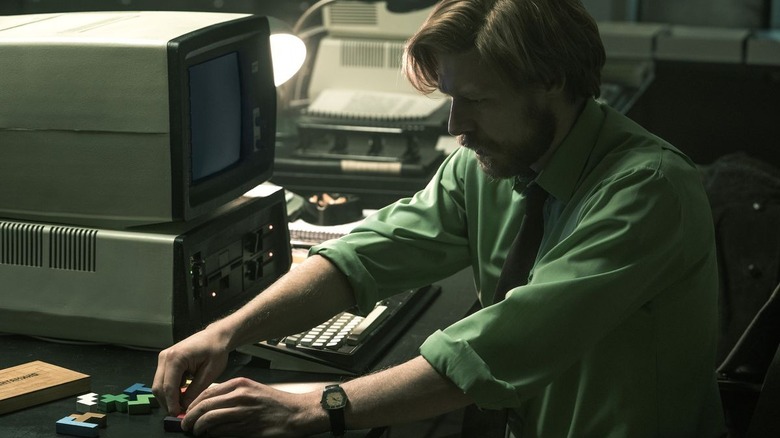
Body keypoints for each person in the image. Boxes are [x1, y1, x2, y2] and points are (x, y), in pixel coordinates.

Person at [153, 0, 727, 436]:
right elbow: (368, 252)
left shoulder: (647, 189)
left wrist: (317, 406)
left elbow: (500, 347)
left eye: (476, 100)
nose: (456, 125)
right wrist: (227, 331)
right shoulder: (494, 163)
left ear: (551, 82)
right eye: (450, 98)